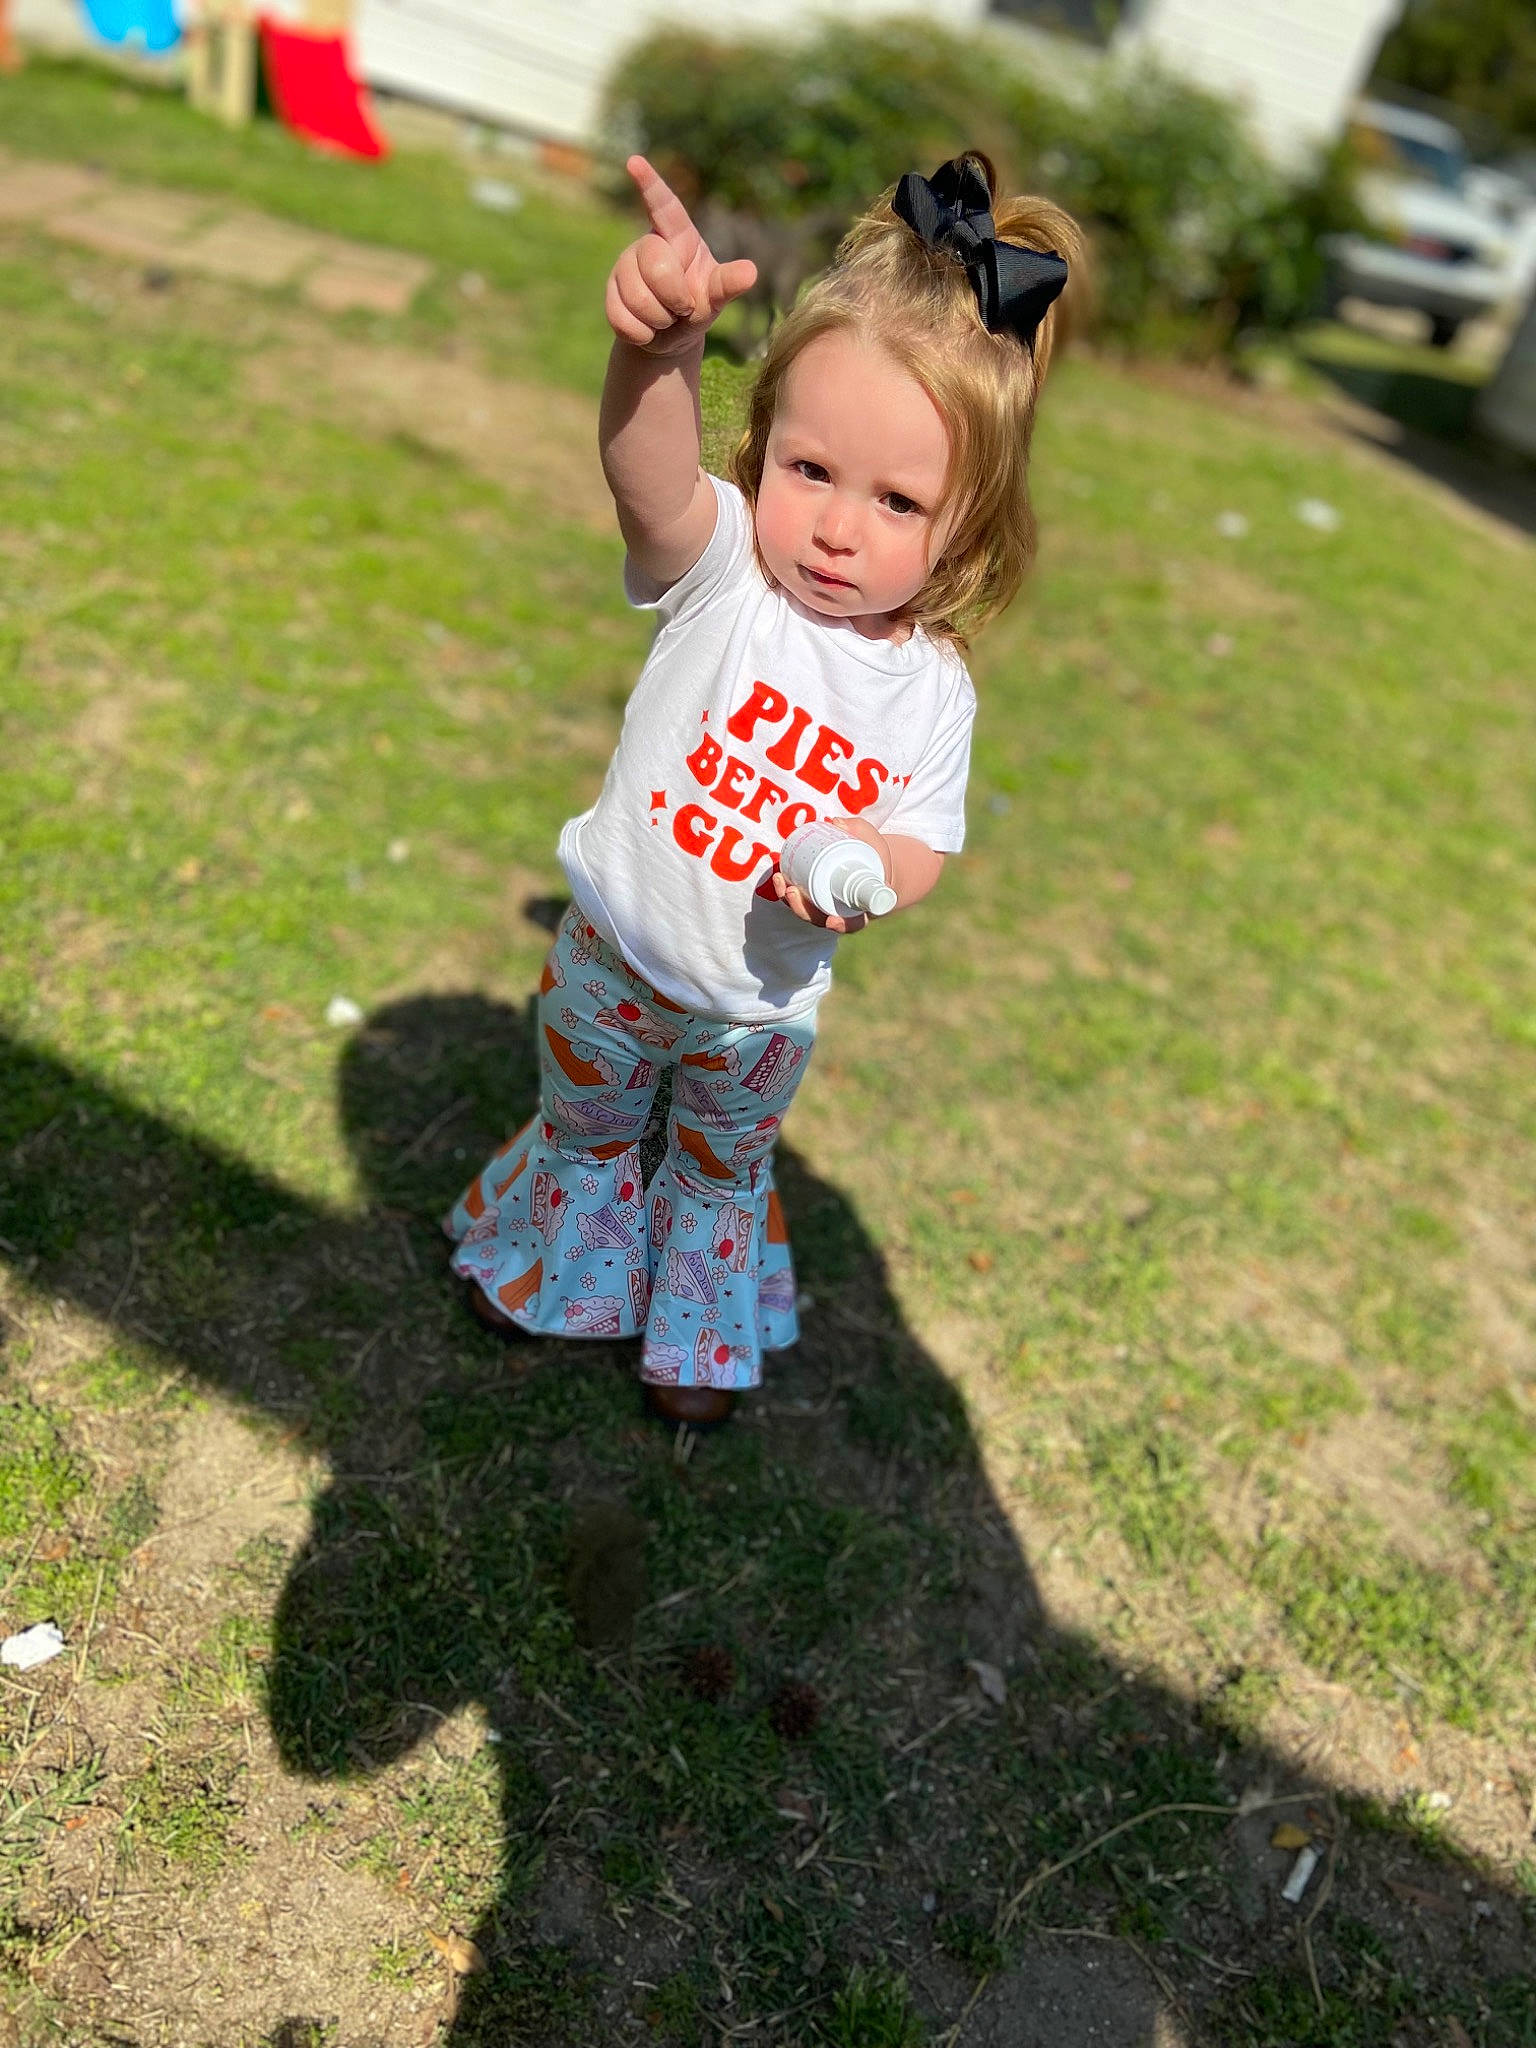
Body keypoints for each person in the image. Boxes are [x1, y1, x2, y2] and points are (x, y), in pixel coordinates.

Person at [445, 151, 1082, 1426]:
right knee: (588, 1133)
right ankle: (559, 1278)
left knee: (718, 1171)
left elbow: (923, 842)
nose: (840, 527)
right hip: (615, 958)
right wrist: (659, 356)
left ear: (969, 523)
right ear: (765, 444)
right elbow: (647, 479)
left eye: (899, 500)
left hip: (758, 1014)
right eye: (811, 471)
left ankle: (693, 1339)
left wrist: (871, 874)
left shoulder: (932, 691)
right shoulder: (727, 563)